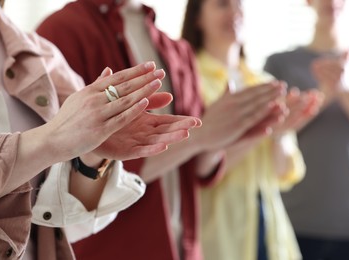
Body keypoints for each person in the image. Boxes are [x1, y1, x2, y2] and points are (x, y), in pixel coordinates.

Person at [36, 0, 288, 259]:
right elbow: (68, 171)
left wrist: (228, 133)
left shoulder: (177, 49)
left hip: (182, 248)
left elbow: (197, 169)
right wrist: (202, 136)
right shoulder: (61, 32)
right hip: (112, 249)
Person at [0, 0, 202, 259]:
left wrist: (91, 157)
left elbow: (57, 224)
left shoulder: (45, 58)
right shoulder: (65, 28)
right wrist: (50, 141)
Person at [181, 0, 324, 259]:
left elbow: (283, 173)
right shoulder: (188, 82)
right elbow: (199, 172)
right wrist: (264, 129)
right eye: (222, 4)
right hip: (218, 233)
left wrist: (280, 132)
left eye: (239, 4)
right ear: (197, 18)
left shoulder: (265, 83)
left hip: (271, 232)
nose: (235, 12)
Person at [264, 0, 349, 259]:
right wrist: (325, 94)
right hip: (294, 220)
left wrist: (348, 87)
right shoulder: (280, 64)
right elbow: (273, 129)